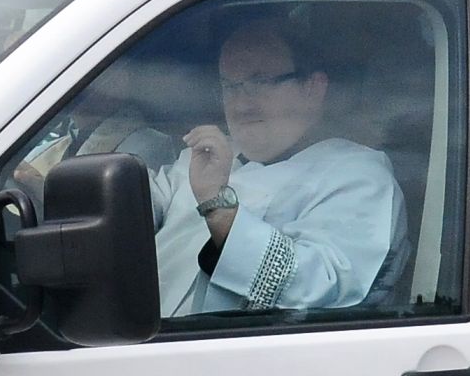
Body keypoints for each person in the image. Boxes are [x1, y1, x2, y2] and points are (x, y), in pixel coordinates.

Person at [148, 17, 399, 317]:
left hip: (238, 345)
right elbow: (133, 205)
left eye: (260, 82)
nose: (241, 105)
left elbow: (320, 293)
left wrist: (220, 209)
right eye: (230, 86)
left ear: (313, 88)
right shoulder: (208, 155)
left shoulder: (359, 177)